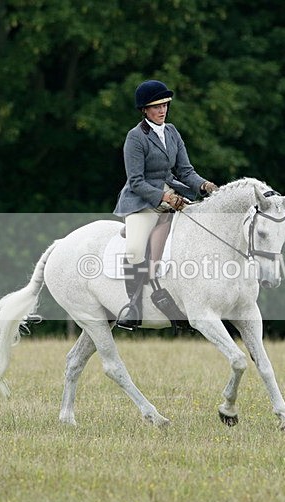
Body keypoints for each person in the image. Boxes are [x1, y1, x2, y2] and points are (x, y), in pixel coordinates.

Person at [112, 80, 218, 330]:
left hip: (174, 193)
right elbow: (136, 181)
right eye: (156, 106)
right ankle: (133, 306)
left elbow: (185, 171)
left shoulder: (171, 132)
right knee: (135, 250)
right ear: (144, 110)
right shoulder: (135, 137)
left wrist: (204, 186)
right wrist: (164, 197)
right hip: (142, 201)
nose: (162, 110)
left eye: (164, 105)